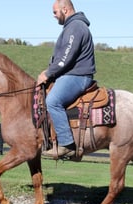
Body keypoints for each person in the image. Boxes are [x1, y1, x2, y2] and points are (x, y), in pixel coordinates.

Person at [37, 0, 96, 158]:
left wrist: (48, 73)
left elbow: (66, 57)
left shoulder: (76, 26)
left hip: (78, 76)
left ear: (65, 9)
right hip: (71, 74)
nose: (54, 16)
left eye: (55, 12)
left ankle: (66, 144)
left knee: (53, 101)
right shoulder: (72, 26)